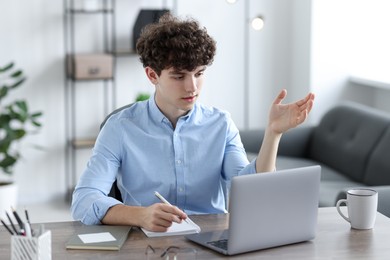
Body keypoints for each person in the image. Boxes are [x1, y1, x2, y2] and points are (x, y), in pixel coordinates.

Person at [71, 12, 315, 232]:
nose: (192, 87)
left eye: (199, 74)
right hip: (148, 244)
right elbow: (84, 200)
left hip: (212, 240)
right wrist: (141, 215)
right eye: (179, 76)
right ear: (152, 75)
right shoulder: (120, 127)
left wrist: (273, 134)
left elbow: (250, 191)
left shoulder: (221, 124)